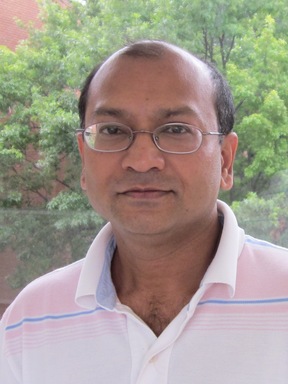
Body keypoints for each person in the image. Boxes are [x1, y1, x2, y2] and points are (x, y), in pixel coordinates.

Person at [1, 40, 288, 384]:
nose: (141, 161)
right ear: (83, 156)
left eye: (177, 130)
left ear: (225, 159)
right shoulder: (30, 320)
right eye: (111, 131)